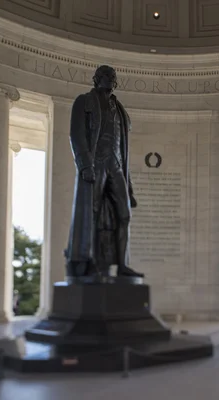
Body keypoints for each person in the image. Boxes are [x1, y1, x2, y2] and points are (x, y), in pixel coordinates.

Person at [65, 65, 141, 278]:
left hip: (116, 166)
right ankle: (88, 261)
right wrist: (85, 165)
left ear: (116, 82)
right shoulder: (84, 101)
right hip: (96, 163)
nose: (108, 79)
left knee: (124, 215)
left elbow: (125, 152)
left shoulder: (120, 110)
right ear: (96, 79)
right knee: (92, 212)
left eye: (112, 76)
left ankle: (122, 264)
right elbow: (76, 135)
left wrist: (130, 188)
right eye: (104, 76)